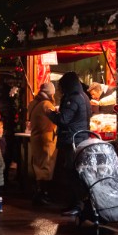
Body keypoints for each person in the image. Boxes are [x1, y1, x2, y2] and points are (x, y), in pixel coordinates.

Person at [50, 72, 90, 216]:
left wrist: (50, 114)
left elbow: (63, 120)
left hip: (72, 140)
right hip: (80, 138)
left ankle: (77, 205)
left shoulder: (73, 98)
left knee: (73, 172)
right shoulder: (83, 96)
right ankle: (77, 204)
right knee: (76, 172)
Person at [27, 81, 57, 205]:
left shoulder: (33, 103)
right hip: (46, 139)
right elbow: (56, 118)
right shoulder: (46, 104)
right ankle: (43, 194)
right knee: (46, 167)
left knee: (38, 166)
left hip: (36, 137)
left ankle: (38, 192)